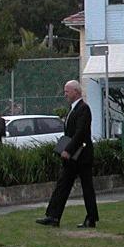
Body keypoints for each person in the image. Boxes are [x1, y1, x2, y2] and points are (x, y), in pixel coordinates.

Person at [38, 79, 98, 228]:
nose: (65, 94)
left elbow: (80, 133)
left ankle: (91, 218)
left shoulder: (83, 109)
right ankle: (53, 216)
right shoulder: (72, 109)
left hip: (81, 155)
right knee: (62, 184)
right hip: (72, 156)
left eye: (67, 91)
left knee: (87, 187)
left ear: (76, 92)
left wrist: (68, 149)